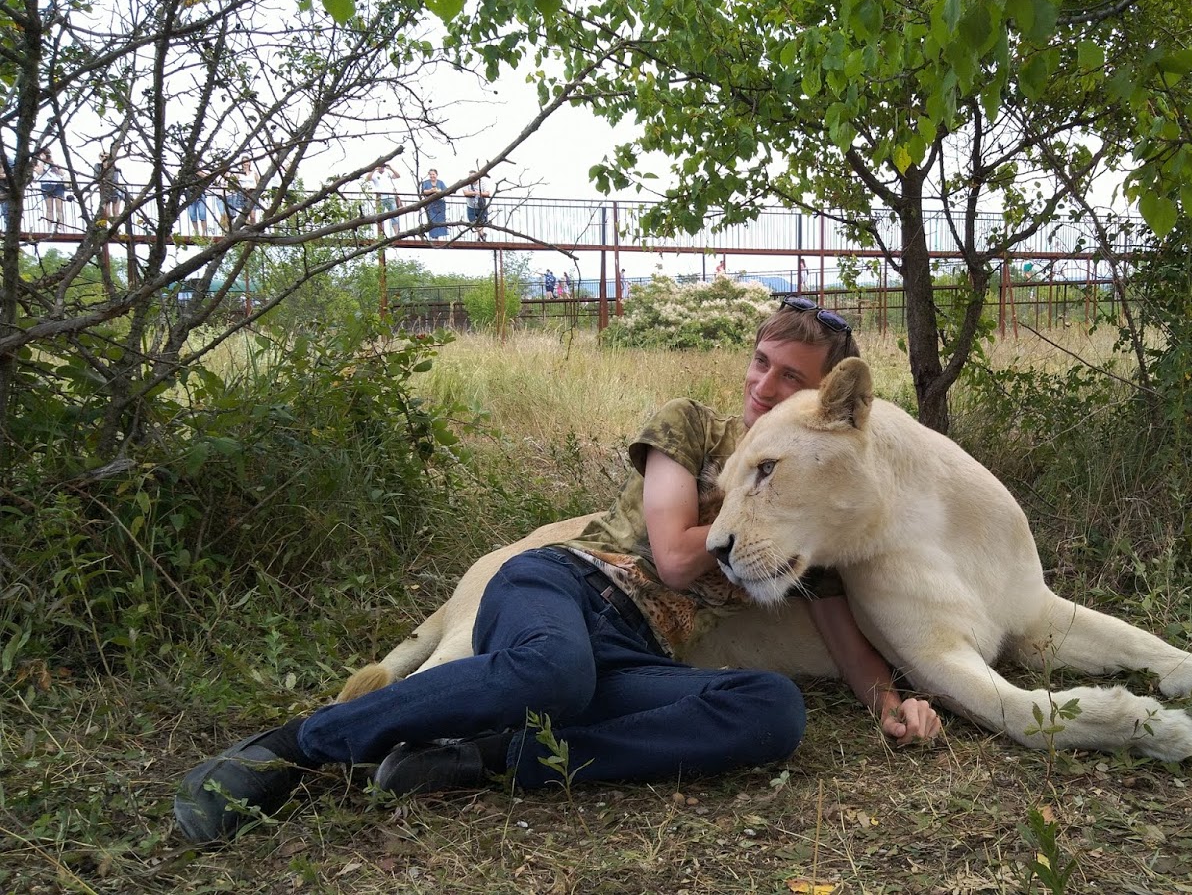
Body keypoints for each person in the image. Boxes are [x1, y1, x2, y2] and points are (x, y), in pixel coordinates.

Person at [173, 299, 941, 844]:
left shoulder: (812, 520)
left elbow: (853, 655)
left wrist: (896, 707)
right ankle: (288, 749)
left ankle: (481, 758)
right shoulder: (692, 427)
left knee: (773, 710)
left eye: (789, 380)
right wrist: (755, 517)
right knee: (553, 673)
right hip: (565, 587)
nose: (763, 389)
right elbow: (674, 557)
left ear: (821, 401)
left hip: (634, 654)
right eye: (760, 363)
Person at [366, 162, 405, 237]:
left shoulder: (388, 173)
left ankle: (397, 234)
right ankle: (381, 235)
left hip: (390, 197)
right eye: (380, 166)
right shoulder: (375, 174)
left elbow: (398, 176)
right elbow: (367, 179)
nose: (382, 168)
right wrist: (373, 169)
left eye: (383, 166)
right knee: (380, 217)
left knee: (394, 216)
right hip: (380, 198)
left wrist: (391, 168)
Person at [35, 148, 66, 230]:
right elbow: (39, 172)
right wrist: (42, 161)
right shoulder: (38, 163)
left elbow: (62, 173)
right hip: (46, 185)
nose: (47, 156)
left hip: (58, 184)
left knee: (59, 208)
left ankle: (62, 227)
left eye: (48, 154)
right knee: (49, 208)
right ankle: (50, 228)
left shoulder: (53, 163)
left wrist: (54, 165)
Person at [419, 167, 447, 242]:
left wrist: (438, 191)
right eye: (430, 174)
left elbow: (446, 191)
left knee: (441, 219)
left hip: (440, 203)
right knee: (432, 219)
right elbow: (423, 192)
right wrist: (431, 191)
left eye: (433, 174)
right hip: (430, 203)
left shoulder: (440, 182)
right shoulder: (425, 182)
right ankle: (434, 236)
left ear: (436, 175)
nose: (432, 176)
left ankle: (440, 235)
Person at [463, 172, 491, 241]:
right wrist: (474, 193)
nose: (471, 179)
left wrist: (480, 193)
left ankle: (479, 237)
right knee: (472, 221)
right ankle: (482, 235)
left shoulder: (483, 183)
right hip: (471, 206)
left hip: (481, 206)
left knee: (481, 222)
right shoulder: (466, 183)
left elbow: (488, 193)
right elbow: (465, 193)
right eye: (470, 177)